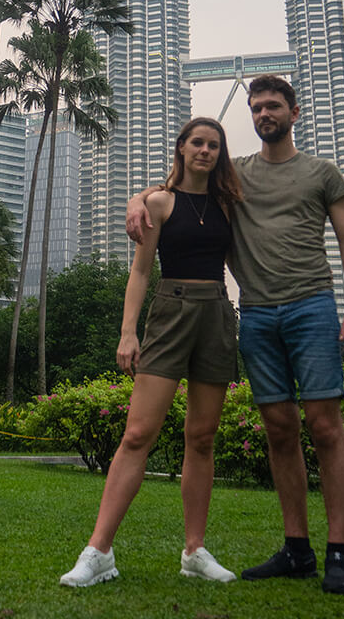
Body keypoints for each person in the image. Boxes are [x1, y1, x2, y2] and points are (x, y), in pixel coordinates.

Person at [126, 75, 344, 596]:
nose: (264, 114)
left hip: (311, 308)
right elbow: (181, 190)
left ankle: (338, 551)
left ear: (294, 113)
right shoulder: (239, 178)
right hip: (256, 314)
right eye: (257, 107)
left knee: (325, 427)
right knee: (280, 429)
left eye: (273, 106)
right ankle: (297, 549)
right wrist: (138, 196)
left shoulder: (322, 172)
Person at [60, 117, 243, 588]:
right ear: (181, 148)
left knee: (201, 437)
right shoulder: (159, 203)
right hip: (170, 311)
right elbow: (141, 272)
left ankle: (194, 551)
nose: (205, 151)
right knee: (138, 432)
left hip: (217, 315)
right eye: (197, 143)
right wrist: (128, 332)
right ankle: (98, 550)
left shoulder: (229, 202)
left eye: (213, 146)